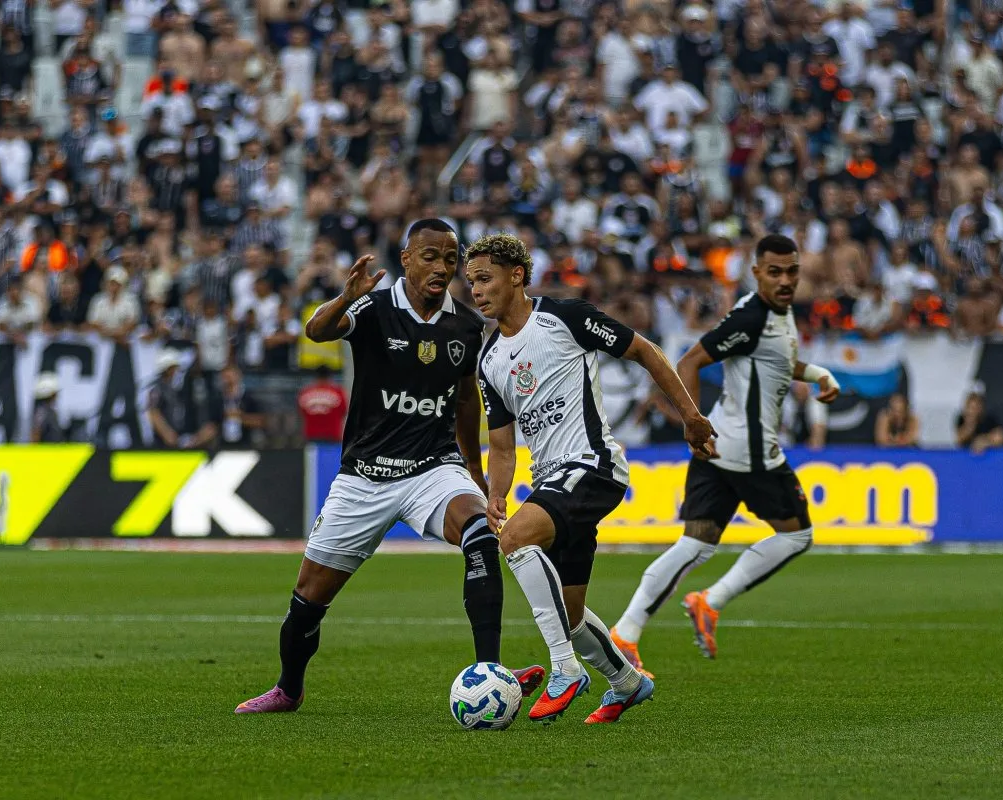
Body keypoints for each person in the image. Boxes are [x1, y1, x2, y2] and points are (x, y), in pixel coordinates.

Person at [236, 219, 545, 715]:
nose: (441, 267)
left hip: (432, 469)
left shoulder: (467, 325)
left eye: (450, 259)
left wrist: (473, 467)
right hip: (364, 476)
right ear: (406, 259)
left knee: (480, 536)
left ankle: (491, 671)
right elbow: (317, 331)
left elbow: (467, 400)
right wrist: (345, 296)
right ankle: (288, 689)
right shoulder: (375, 308)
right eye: (430, 256)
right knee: (307, 602)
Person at [464, 232, 715, 725]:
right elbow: (500, 444)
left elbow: (646, 352)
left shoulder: (564, 318)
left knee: (514, 539)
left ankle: (565, 670)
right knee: (571, 614)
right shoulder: (489, 360)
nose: (475, 290)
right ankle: (627, 682)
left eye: (484, 278)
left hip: (592, 465)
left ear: (517, 276)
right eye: (470, 281)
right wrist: (495, 493)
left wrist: (689, 415)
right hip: (552, 481)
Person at [610, 235, 841, 672]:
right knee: (796, 534)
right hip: (747, 451)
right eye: (775, 272)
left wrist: (818, 374)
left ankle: (626, 631)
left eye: (792, 271)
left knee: (695, 543)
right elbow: (690, 362)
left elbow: (777, 359)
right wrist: (692, 423)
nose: (786, 279)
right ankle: (711, 601)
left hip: (719, 446)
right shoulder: (753, 316)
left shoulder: (772, 313)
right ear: (757, 273)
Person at [955, 388, 1003, 455]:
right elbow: (959, 439)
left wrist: (985, 440)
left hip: (989, 457)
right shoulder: (962, 418)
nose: (973, 411)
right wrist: (970, 422)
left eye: (975, 407)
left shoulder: (988, 419)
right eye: (970, 407)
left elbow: (1000, 437)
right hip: (967, 457)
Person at [31, 373, 66, 443]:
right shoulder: (42, 412)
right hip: (45, 452)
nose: (56, 396)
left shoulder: (49, 411)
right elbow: (36, 433)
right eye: (54, 393)